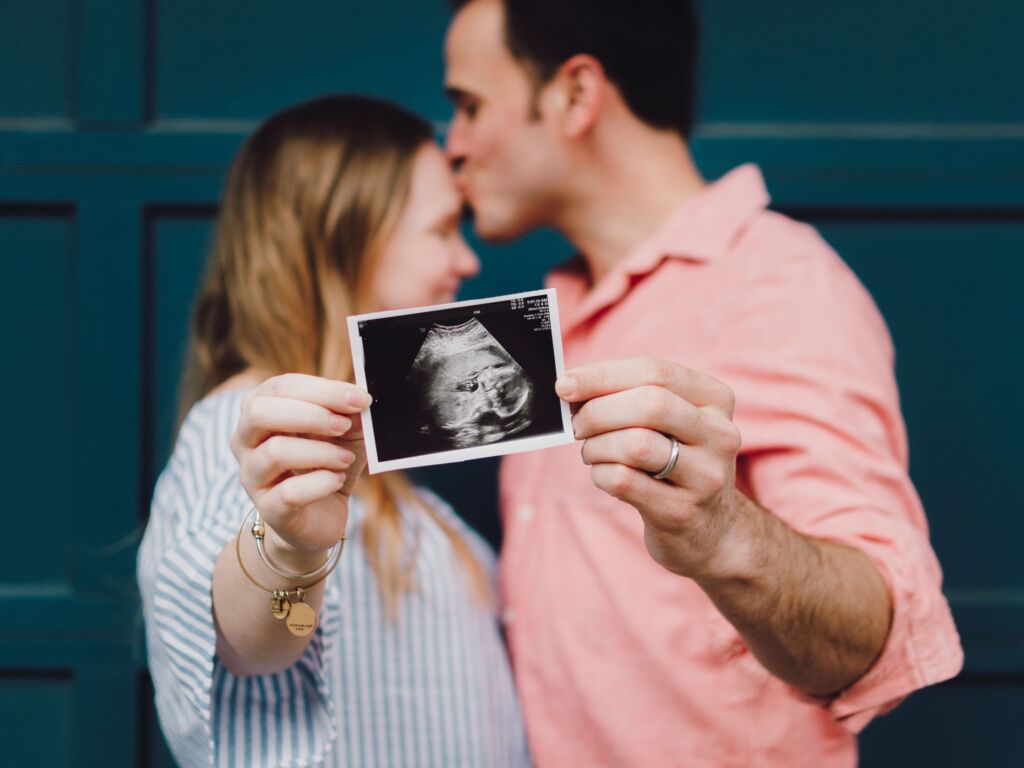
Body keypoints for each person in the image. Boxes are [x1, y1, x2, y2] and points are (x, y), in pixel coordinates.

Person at [442, 0, 963, 765]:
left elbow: (873, 639)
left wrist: (720, 532)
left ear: (576, 95)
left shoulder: (776, 284)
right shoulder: (551, 318)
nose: (451, 146)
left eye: (469, 105)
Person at [138, 94, 530, 768]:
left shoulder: (377, 472)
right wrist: (289, 550)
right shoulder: (247, 438)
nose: (466, 262)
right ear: (340, 241)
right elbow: (248, 641)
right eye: (440, 230)